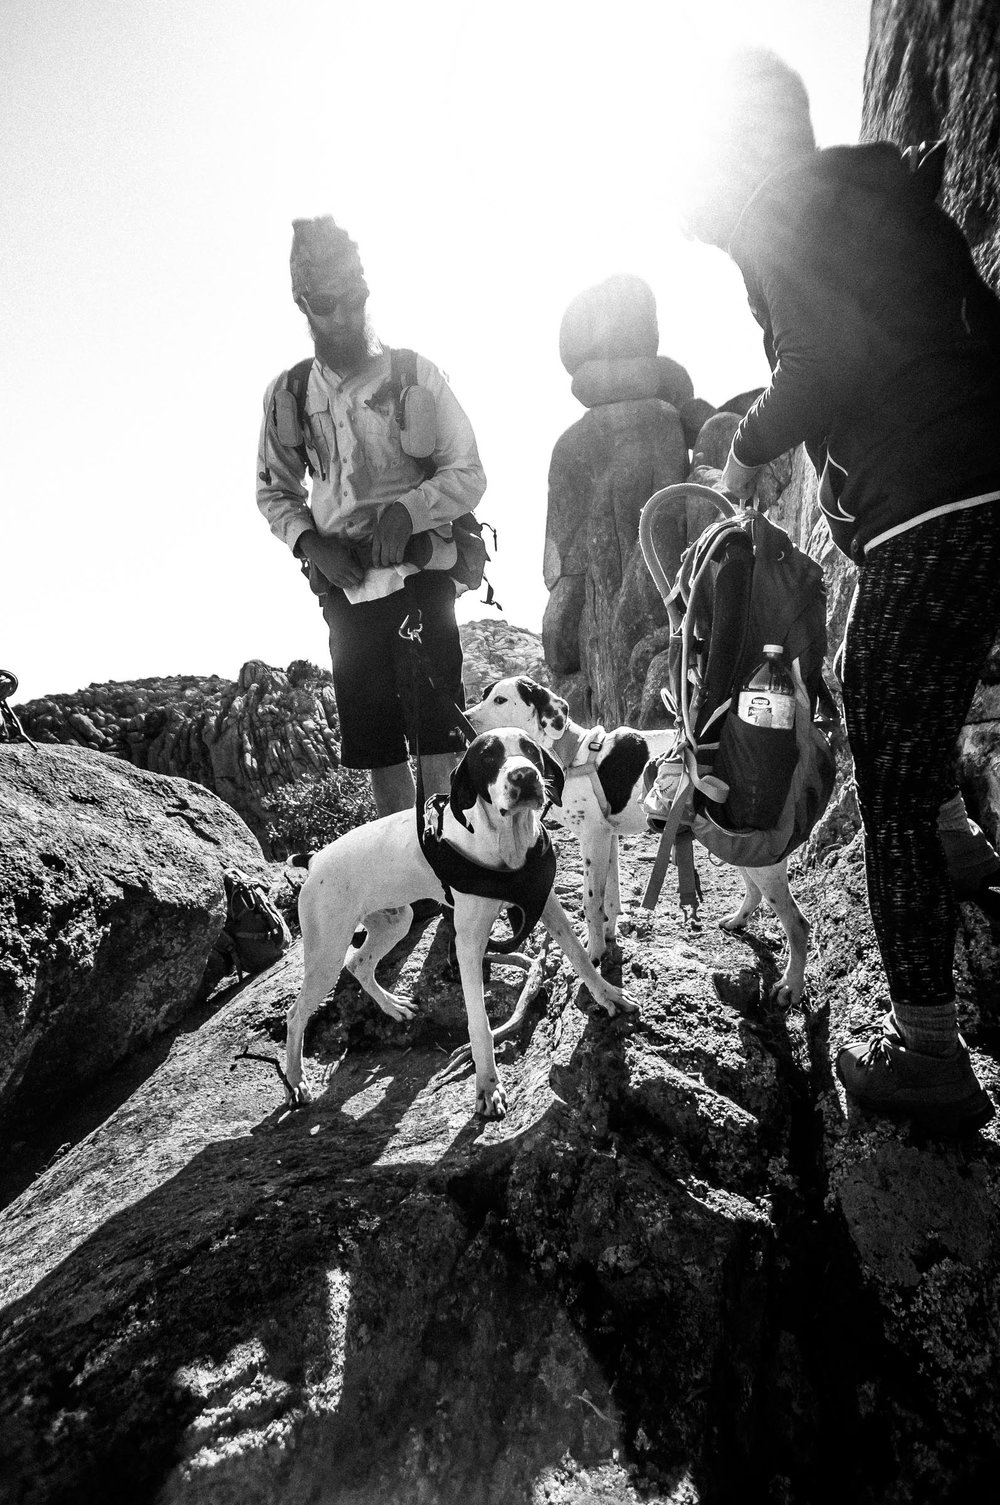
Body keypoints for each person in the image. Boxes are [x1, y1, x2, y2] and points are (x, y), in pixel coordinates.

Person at [681, 48, 1000, 1131]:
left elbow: (819, 363)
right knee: (910, 681)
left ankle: (927, 1051)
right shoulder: (877, 193)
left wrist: (742, 456)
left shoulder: (780, 208)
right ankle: (961, 839)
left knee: (888, 776)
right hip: (981, 489)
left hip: (925, 505)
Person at [257, 217, 486, 832]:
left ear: (366, 292)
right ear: (305, 305)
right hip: (346, 592)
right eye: (326, 305)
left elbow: (468, 472)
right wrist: (310, 543)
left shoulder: (416, 374)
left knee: (438, 731)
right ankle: (404, 878)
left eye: (353, 299)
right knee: (375, 739)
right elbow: (273, 491)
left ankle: (445, 868)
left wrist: (407, 510)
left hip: (420, 576)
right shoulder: (289, 394)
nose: (343, 317)